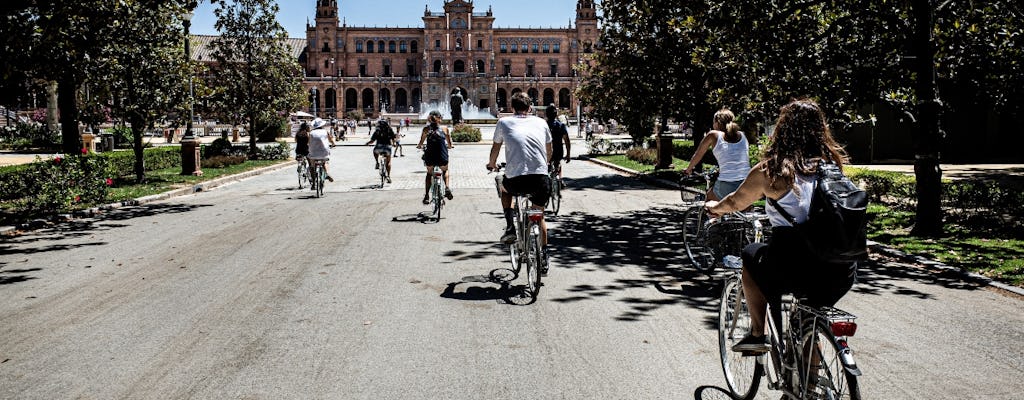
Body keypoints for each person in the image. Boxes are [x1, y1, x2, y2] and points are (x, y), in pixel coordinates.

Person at [705, 99, 857, 354]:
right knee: (807, 322)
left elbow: (736, 201)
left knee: (751, 255)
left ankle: (757, 333)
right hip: (840, 270)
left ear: (782, 129)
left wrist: (714, 208)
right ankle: (806, 385)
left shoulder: (772, 171)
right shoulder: (832, 167)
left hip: (795, 266)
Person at [486, 92, 553, 272]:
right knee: (540, 215)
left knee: (503, 184)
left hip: (516, 180)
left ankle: (510, 227)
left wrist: (491, 164)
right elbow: (549, 150)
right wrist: (544, 164)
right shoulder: (541, 122)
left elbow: (495, 148)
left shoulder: (504, 122)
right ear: (530, 108)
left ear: (512, 108)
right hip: (541, 179)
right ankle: (545, 256)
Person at [684, 108, 751, 201]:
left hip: (727, 182)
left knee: (710, 201)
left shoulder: (713, 135)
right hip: (747, 182)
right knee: (735, 208)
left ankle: (713, 215)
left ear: (717, 123)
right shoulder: (742, 135)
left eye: (713, 122)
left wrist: (688, 169)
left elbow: (698, 155)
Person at [416, 110, 455, 204]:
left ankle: (426, 196)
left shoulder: (426, 129)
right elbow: (449, 143)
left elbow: (421, 142)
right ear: (440, 119)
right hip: (442, 156)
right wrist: (450, 146)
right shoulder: (445, 129)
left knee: (429, 173)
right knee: (445, 170)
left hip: (430, 156)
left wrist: (419, 145)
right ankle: (447, 187)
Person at [544, 104, 571, 180]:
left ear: (546, 114)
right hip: (558, 151)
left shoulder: (543, 125)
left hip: (546, 152)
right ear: (556, 114)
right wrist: (568, 154)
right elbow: (567, 140)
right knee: (557, 164)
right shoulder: (561, 125)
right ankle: (560, 179)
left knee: (546, 168)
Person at [366, 118, 397, 183]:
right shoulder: (389, 129)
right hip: (387, 147)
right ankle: (388, 176)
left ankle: (377, 162)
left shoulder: (377, 131)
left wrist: (367, 143)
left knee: (374, 151)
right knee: (388, 162)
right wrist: (394, 144)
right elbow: (394, 138)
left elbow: (372, 141)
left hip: (379, 147)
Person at [308, 118, 336, 182]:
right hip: (324, 152)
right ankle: (327, 173)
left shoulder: (311, 132)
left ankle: (314, 179)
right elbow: (330, 140)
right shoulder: (325, 131)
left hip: (313, 153)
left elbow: (308, 142)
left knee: (312, 165)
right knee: (325, 162)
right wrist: (333, 144)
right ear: (322, 125)